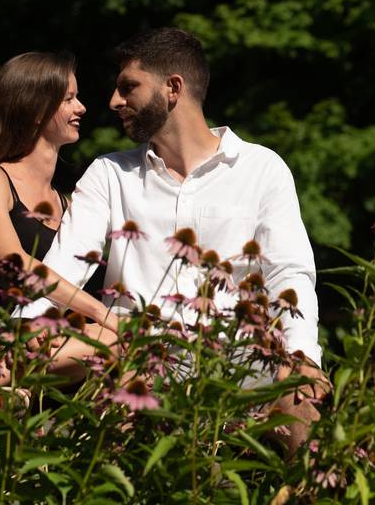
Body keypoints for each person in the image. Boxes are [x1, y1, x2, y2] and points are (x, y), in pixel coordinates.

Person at [19, 28, 328, 450]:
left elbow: (289, 273)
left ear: (173, 88)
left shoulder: (261, 169)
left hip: (238, 360)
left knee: (303, 413)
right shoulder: (110, 173)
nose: (112, 101)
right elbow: (67, 264)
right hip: (139, 358)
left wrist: (301, 354)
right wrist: (23, 332)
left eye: (128, 86)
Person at [0, 51, 119, 397]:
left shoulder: (69, 205)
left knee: (122, 337)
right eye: (69, 98)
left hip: (45, 345)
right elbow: (14, 261)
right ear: (35, 109)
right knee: (113, 336)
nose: (82, 108)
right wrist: (98, 312)